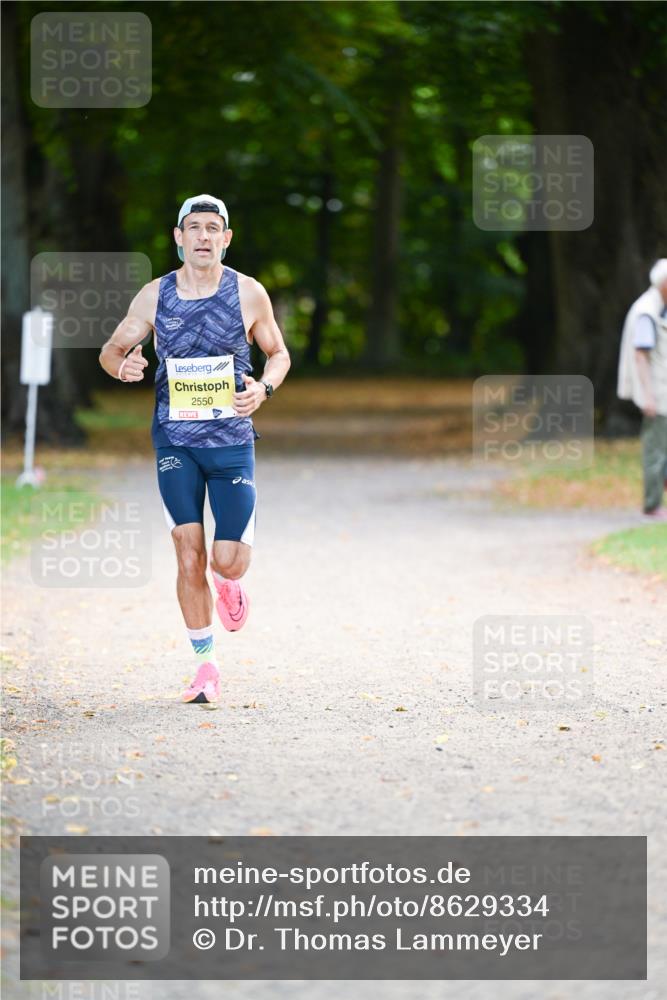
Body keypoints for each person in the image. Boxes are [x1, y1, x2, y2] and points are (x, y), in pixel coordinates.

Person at [99, 195, 291, 702]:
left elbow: (278, 353)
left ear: (226, 238)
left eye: (212, 228)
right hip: (175, 441)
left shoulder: (248, 293)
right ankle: (206, 667)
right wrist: (122, 366)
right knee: (188, 554)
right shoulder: (154, 295)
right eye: (194, 228)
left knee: (227, 561)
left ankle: (227, 582)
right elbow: (111, 350)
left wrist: (263, 389)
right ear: (178, 237)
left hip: (231, 443)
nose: (203, 236)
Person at [617, 258, 667, 519]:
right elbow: (640, 355)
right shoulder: (647, 312)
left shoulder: (658, 307)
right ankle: (652, 505)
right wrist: (648, 397)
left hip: (662, 393)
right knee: (655, 450)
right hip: (657, 395)